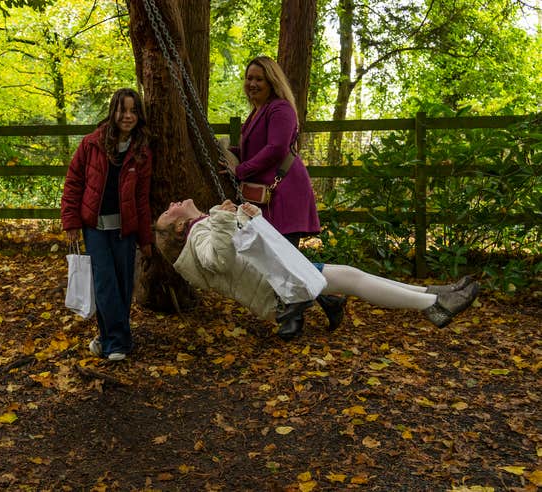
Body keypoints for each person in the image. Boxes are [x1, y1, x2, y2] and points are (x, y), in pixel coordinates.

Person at [154, 199, 479, 340]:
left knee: (351, 276)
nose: (170, 206)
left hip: (279, 275)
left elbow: (241, 248)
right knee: (351, 277)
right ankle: (433, 303)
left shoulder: (204, 225)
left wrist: (246, 217)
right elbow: (218, 260)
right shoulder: (198, 235)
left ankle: (434, 296)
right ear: (181, 226)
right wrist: (226, 219)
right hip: (279, 285)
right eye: (169, 214)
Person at [219, 55, 345, 331]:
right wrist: (232, 155)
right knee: (281, 257)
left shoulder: (280, 109)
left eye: (258, 79)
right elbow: (258, 149)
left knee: (285, 256)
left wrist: (240, 171)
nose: (252, 83)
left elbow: (276, 148)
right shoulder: (257, 111)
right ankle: (328, 302)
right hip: (270, 195)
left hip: (286, 191)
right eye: (249, 78)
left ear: (271, 82)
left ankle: (293, 318)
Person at [61, 88, 154, 361]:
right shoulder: (91, 144)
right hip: (95, 228)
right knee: (105, 284)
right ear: (113, 112)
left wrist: (146, 239)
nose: (127, 116)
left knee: (124, 285)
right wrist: (71, 223)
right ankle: (117, 343)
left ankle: (107, 338)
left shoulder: (142, 152)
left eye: (133, 111)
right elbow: (73, 183)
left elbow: (142, 198)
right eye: (122, 110)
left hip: (125, 230)